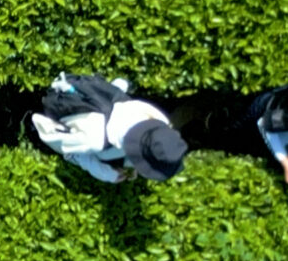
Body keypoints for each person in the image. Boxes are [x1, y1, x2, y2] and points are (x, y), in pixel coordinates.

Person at [28, 72, 187, 183]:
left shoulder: (155, 117)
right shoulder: (94, 139)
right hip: (63, 103)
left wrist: (134, 162)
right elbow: (67, 150)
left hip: (104, 98)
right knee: (100, 152)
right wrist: (103, 173)